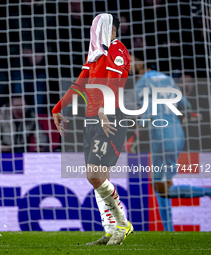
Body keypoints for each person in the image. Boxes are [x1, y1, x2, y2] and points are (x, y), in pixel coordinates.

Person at [52, 13, 133, 245]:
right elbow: (80, 83)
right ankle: (110, 230)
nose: (94, 30)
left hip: (110, 117)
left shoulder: (117, 49)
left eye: (98, 26)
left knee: (94, 175)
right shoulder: (95, 54)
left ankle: (123, 224)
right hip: (92, 119)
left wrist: (102, 108)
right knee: (99, 178)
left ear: (109, 28)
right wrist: (58, 107)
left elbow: (113, 83)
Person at [130, 55, 211, 231]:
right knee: (162, 183)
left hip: (161, 137)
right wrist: (189, 114)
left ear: (141, 62)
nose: (128, 64)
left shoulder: (141, 83)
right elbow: (185, 105)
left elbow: (149, 108)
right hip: (177, 135)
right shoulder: (167, 79)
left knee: (160, 186)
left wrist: (139, 129)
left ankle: (208, 192)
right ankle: (168, 229)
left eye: (131, 59)